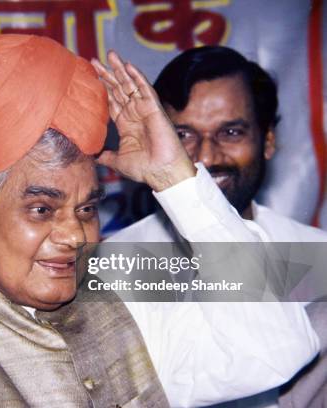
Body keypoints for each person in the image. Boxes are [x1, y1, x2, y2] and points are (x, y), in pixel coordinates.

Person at [0, 35, 318, 407]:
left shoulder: (129, 300)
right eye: (41, 209)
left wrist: (179, 181)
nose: (74, 235)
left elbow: (274, 351)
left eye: (87, 208)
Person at [107, 46, 327, 407]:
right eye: (182, 136)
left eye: (231, 132)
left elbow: (273, 356)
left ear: (267, 140)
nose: (206, 157)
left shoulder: (320, 259)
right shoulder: (116, 265)